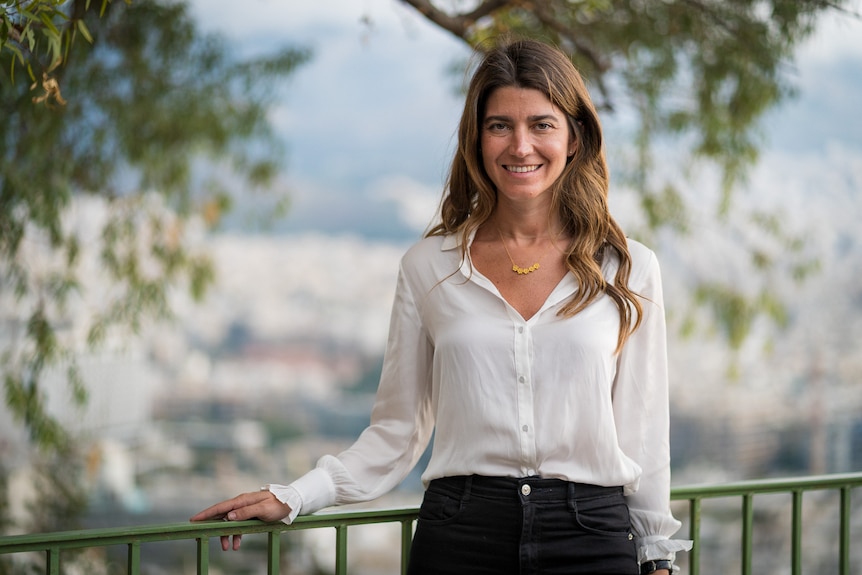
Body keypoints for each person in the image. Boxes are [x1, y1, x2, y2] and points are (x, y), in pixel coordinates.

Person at [192, 38, 692, 574]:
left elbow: (643, 437)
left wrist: (657, 557)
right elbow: (397, 432)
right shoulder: (428, 267)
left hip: (591, 538)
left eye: (542, 124)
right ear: (476, 140)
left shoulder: (629, 269)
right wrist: (295, 496)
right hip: (461, 535)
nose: (520, 146)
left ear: (574, 137)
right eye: (500, 125)